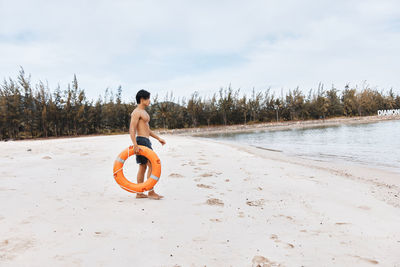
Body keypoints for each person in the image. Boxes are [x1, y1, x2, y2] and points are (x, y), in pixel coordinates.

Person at [129, 89, 166, 199]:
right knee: (152, 165)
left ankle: (140, 193)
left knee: (143, 166)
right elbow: (132, 129)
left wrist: (158, 138)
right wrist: (135, 144)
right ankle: (150, 191)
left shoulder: (144, 112)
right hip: (141, 141)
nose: (150, 100)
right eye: (148, 98)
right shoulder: (136, 112)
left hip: (146, 140)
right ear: (142, 99)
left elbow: (147, 130)